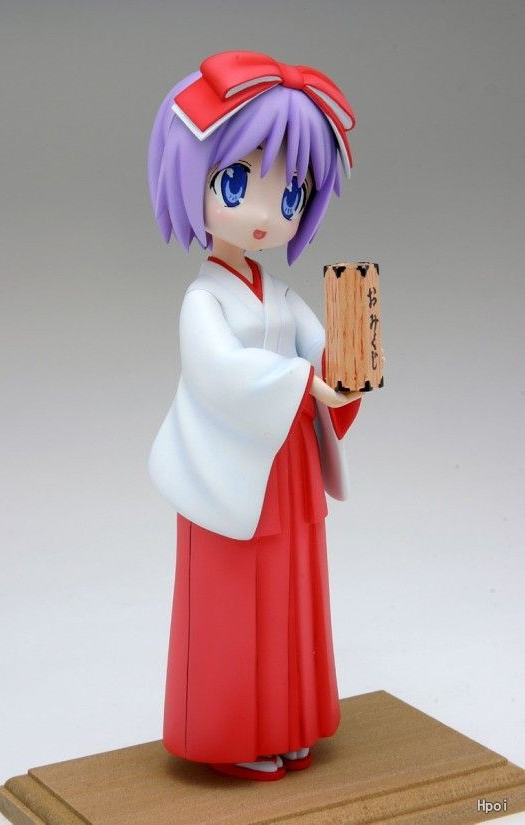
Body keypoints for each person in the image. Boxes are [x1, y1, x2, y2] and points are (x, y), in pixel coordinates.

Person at [147, 50, 362, 781]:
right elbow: (219, 374)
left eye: (290, 193)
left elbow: (319, 347)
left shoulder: (279, 294)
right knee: (234, 601)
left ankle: (290, 721)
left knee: (290, 590)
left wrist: (349, 366)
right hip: (232, 472)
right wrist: (307, 384)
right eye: (237, 184)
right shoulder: (203, 300)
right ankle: (230, 734)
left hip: (286, 462)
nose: (267, 215)